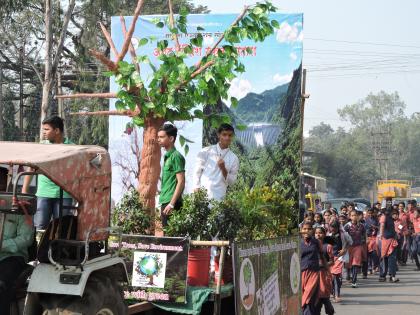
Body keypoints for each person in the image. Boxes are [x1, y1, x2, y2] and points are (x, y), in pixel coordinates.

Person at [22, 116, 73, 229]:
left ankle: (57, 247)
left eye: (46, 129)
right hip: (43, 194)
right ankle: (39, 247)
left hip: (64, 195)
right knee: (39, 227)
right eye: (43, 129)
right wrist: (24, 191)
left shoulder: (71, 148)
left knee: (61, 229)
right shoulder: (41, 147)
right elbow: (31, 168)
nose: (44, 132)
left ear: (57, 130)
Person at [0, 169, 35, 315]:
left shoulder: (21, 206)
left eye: (2, 180)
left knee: (1, 284)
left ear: (9, 182)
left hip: (12, 258)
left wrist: (2, 245)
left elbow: (26, 239)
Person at [193, 123, 239, 201]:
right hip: (202, 194)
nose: (227, 138)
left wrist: (223, 169)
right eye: (224, 134)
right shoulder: (206, 151)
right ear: (218, 135)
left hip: (219, 197)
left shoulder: (234, 158)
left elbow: (232, 182)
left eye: (230, 135)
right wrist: (196, 188)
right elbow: (197, 172)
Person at [157, 124, 185, 227]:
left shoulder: (176, 156)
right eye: (158, 137)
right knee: (167, 239)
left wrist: (172, 204)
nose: (158, 139)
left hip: (171, 202)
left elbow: (181, 182)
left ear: (171, 138)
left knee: (172, 240)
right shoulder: (167, 156)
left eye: (162, 137)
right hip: (165, 201)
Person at [301, 222, 325, 315]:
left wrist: (326, 270)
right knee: (306, 298)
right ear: (301, 230)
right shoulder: (297, 242)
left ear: (312, 230)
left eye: (309, 229)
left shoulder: (316, 242)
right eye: (304, 229)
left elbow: (322, 256)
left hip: (314, 272)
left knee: (309, 295)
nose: (306, 231)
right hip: (302, 272)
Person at [314, 227, 335, 315]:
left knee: (324, 295)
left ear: (324, 234)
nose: (318, 235)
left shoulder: (328, 247)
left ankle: (330, 310)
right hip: (314, 274)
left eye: (320, 233)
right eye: (316, 233)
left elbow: (332, 261)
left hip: (324, 274)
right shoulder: (312, 247)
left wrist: (323, 265)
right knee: (317, 297)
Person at [344, 209, 366, 288]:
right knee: (348, 263)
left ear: (358, 216)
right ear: (350, 216)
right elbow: (343, 236)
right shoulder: (347, 226)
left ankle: (354, 281)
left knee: (355, 263)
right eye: (352, 215)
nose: (354, 217)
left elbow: (364, 235)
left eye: (356, 215)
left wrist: (363, 242)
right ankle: (348, 276)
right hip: (349, 247)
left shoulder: (362, 226)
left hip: (358, 246)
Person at [328, 221, 347, 303]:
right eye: (332, 227)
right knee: (331, 277)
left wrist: (344, 250)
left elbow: (350, 242)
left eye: (335, 227)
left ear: (338, 227)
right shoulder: (328, 235)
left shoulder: (343, 235)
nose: (333, 228)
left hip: (339, 258)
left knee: (336, 276)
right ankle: (331, 292)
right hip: (330, 259)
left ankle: (337, 295)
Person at [378, 207, 399, 282]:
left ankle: (392, 276)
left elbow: (398, 228)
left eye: (396, 214)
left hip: (392, 240)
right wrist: (380, 235)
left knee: (392, 259)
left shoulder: (394, 220)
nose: (395, 215)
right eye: (394, 214)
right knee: (384, 258)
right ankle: (382, 275)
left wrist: (397, 233)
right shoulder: (384, 217)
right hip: (385, 240)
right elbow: (382, 226)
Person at [364, 208, 379, 274]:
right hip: (368, 238)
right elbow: (364, 230)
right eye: (369, 213)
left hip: (375, 238)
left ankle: (374, 266)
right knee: (368, 254)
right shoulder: (365, 220)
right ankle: (369, 268)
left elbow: (380, 227)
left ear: (374, 213)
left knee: (374, 253)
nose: (370, 214)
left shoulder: (377, 219)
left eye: (371, 213)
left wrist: (375, 227)